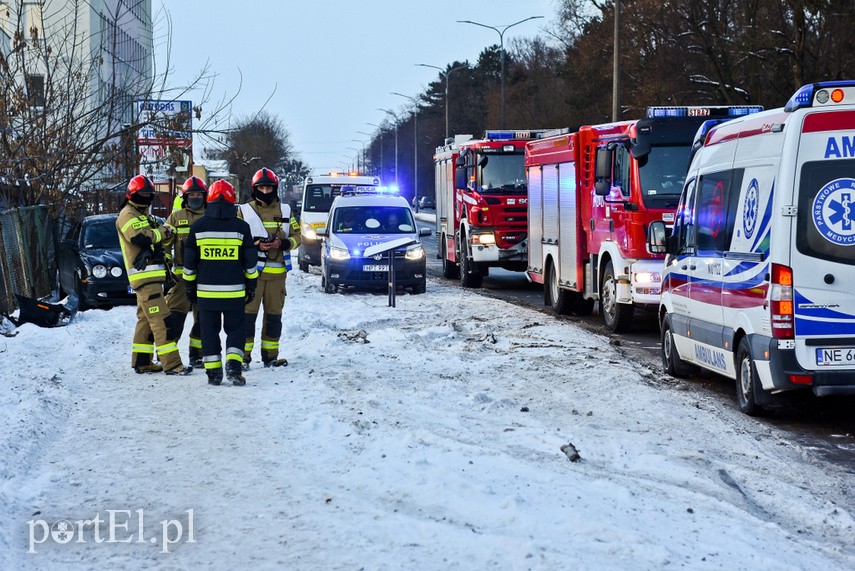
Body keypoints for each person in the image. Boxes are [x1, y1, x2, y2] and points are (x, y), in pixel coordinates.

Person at [183, 180, 258, 386]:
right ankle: (233, 367)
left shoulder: (198, 227)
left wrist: (190, 287)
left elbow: (189, 264)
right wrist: (251, 286)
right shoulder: (242, 227)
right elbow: (250, 264)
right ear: (232, 200)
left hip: (206, 294)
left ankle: (213, 373)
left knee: (209, 332)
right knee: (236, 330)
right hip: (234, 293)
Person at [116, 174, 191, 375]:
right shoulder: (127, 215)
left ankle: (142, 361)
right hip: (145, 278)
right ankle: (173, 365)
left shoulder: (142, 214)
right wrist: (163, 232)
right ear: (132, 194)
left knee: (145, 320)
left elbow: (150, 237)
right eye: (143, 193)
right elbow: (140, 237)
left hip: (151, 277)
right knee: (161, 320)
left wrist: (156, 235)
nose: (147, 197)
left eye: (150, 193)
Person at [237, 168, 301, 369]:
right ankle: (243, 358)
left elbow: (298, 236)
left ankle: (270, 356)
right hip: (251, 275)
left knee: (274, 317)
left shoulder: (286, 211)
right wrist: (255, 244)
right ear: (255, 188)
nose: (265, 191)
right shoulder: (244, 210)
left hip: (277, 275)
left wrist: (282, 244)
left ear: (275, 188)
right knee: (247, 318)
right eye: (261, 187)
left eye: (269, 187)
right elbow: (236, 237)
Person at [164, 176, 207, 368]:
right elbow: (164, 242)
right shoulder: (176, 216)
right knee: (175, 315)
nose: (196, 197)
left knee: (203, 317)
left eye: (199, 194)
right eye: (192, 194)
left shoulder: (211, 216)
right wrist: (165, 264)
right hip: (181, 277)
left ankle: (196, 355)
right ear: (185, 196)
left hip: (206, 276)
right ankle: (167, 353)